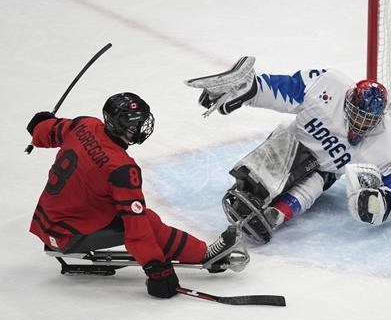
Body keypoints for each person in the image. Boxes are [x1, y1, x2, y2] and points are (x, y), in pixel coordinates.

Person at [27, 92, 246, 299]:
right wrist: (156, 269)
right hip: (68, 236)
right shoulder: (121, 168)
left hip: (47, 222)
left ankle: (201, 252)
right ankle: (204, 255)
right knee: (145, 221)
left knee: (139, 217)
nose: (144, 126)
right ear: (128, 127)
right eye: (139, 122)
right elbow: (137, 228)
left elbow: (49, 130)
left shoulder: (85, 125)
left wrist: (39, 124)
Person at [185, 57, 391, 244]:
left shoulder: (387, 141)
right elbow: (287, 89)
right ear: (348, 102)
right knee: (271, 162)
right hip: (293, 141)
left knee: (313, 186)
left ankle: (275, 216)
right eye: (357, 114)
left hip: (324, 170)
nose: (361, 123)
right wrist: (252, 90)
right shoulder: (328, 85)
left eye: (369, 120)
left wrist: (382, 203)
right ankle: (250, 187)